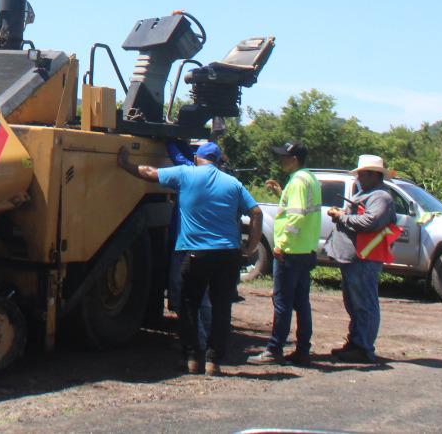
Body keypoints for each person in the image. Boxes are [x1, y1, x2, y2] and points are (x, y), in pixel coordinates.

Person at [119, 141, 262, 376]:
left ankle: (193, 358)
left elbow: (149, 172)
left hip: (197, 252)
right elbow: (256, 212)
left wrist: (125, 163)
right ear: (218, 161)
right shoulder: (233, 183)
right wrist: (251, 245)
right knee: (221, 307)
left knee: (188, 304)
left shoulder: (186, 174)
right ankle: (214, 361)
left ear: (197, 158)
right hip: (228, 254)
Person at [248, 140, 320, 365]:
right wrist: (281, 193)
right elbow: (300, 209)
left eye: (284, 156)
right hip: (305, 250)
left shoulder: (297, 181)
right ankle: (303, 350)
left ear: (294, 159)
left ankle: (274, 350)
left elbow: (296, 216)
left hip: (290, 252)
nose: (281, 160)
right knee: (301, 302)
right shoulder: (309, 178)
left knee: (282, 302)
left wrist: (283, 244)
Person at [324, 153, 400, 363]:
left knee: (364, 303)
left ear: (373, 175)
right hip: (356, 257)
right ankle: (356, 343)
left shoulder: (381, 197)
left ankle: (363, 347)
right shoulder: (367, 194)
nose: (358, 178)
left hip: (364, 258)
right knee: (354, 303)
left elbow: (369, 222)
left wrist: (342, 216)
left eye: (362, 174)